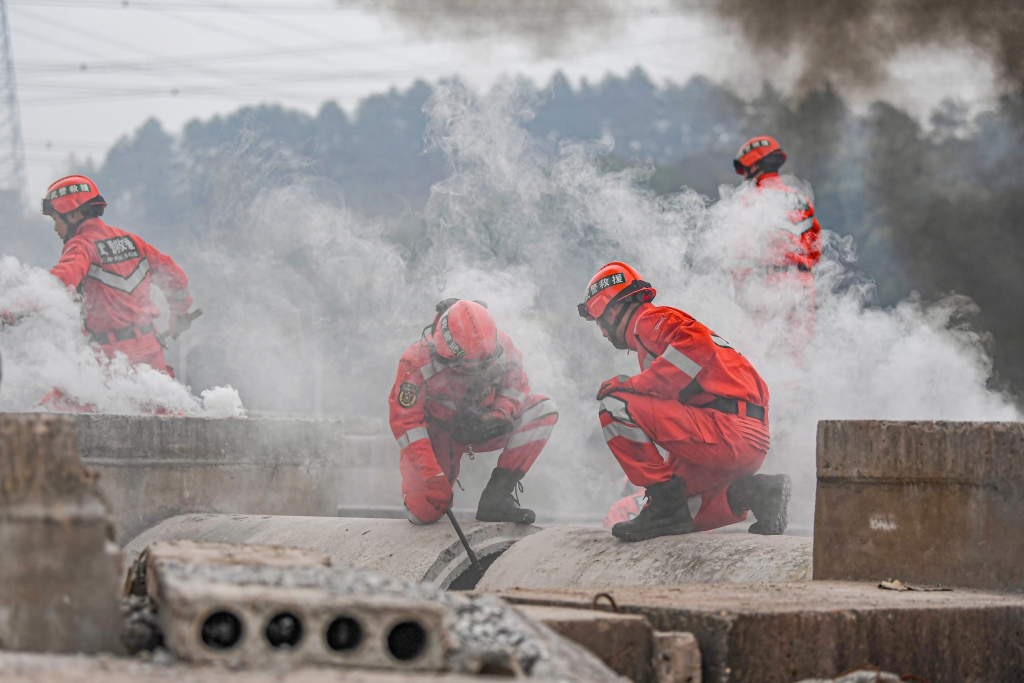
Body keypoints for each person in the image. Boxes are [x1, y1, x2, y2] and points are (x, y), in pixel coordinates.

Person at [579, 261, 790, 542]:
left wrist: (630, 384)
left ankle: (665, 504)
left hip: (727, 431)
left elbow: (696, 344)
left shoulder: (648, 321)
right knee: (680, 514)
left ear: (614, 310)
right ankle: (758, 493)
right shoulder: (655, 332)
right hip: (745, 437)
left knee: (615, 402)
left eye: (600, 323)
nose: (603, 333)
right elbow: (683, 397)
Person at [388, 298, 558, 525]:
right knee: (425, 514)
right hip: (437, 436)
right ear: (447, 355)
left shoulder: (503, 346)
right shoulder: (415, 361)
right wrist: (432, 477)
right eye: (467, 367)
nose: (475, 372)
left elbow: (516, 387)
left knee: (543, 410)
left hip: (485, 424)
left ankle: (497, 498)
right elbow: (406, 422)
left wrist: (498, 415)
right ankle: (428, 491)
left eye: (484, 364)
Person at [41, 175, 196, 376]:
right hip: (150, 351)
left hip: (110, 359)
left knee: (60, 404)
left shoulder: (82, 246)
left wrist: (12, 309)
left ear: (73, 216)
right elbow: (177, 280)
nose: (55, 228)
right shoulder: (133, 241)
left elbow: (57, 283)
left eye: (55, 219)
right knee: (159, 406)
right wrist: (179, 314)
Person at [732, 136, 821, 353]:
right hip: (803, 285)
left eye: (745, 170)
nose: (745, 176)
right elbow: (815, 248)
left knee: (755, 353)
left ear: (754, 164)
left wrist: (741, 290)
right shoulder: (801, 199)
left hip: (767, 283)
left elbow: (742, 250)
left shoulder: (750, 199)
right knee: (795, 353)